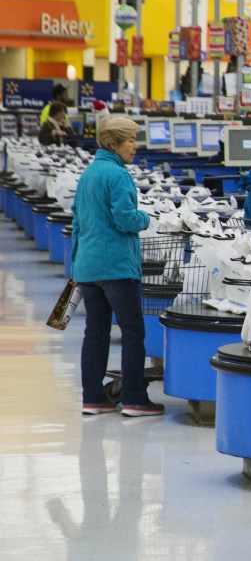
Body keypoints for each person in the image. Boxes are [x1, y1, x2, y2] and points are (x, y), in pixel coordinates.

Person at [71, 116, 163, 417]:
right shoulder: (118, 175)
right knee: (133, 331)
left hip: (88, 265)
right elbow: (125, 218)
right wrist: (148, 218)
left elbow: (77, 223)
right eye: (130, 140)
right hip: (117, 267)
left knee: (95, 333)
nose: (135, 146)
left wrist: (77, 264)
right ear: (114, 143)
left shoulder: (89, 174)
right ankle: (135, 398)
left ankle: (94, 398)